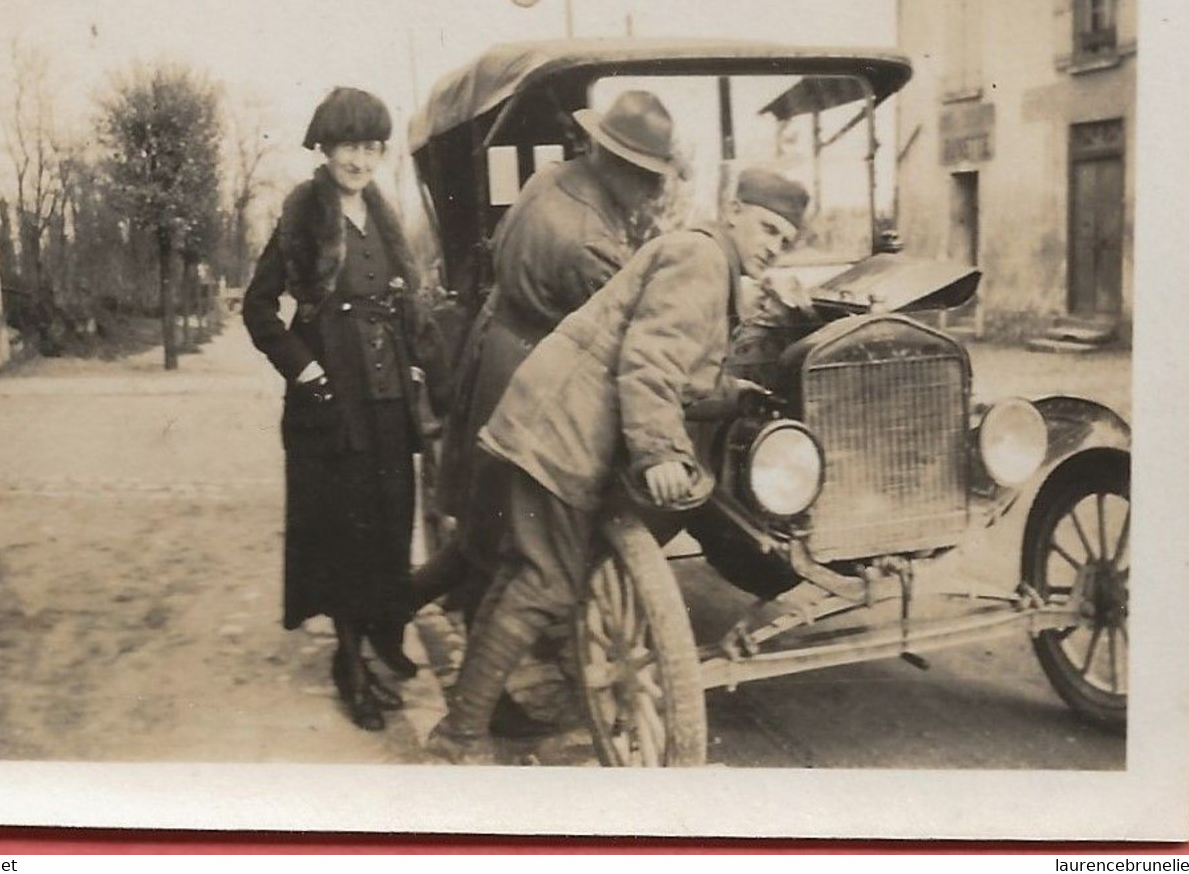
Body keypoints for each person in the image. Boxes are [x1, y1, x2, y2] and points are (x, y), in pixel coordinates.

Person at [427, 166, 808, 762]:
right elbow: (649, 362)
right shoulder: (702, 261)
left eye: (784, 240)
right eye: (765, 227)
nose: (771, 245)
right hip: (563, 432)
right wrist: (659, 451)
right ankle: (459, 735)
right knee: (546, 583)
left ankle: (462, 723)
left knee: (523, 577)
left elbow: (676, 366)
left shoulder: (705, 259)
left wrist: (732, 393)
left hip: (548, 421)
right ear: (732, 209)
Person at [412, 90, 680, 735]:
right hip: (532, 374)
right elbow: (627, 330)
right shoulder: (590, 242)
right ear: (616, 162)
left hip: (496, 351)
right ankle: (479, 707)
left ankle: (385, 605)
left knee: (485, 534)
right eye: (645, 177)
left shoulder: (554, 178)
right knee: (519, 551)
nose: (649, 192)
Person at [243, 86, 450, 732]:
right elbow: (258, 308)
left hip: (387, 398)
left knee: (390, 521)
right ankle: (350, 662)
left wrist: (414, 358)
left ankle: (383, 635)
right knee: (343, 531)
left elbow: (402, 303)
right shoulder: (303, 214)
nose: (359, 160)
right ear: (325, 147)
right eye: (347, 146)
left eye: (369, 147)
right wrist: (303, 367)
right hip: (331, 401)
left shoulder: (385, 216)